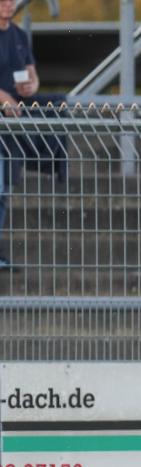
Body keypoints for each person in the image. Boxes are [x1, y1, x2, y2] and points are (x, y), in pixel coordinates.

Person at [0, 0, 41, 269]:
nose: (8, 4)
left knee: (3, 188)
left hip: (12, 125)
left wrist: (30, 88)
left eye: (11, 0)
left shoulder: (19, 35)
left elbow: (33, 75)